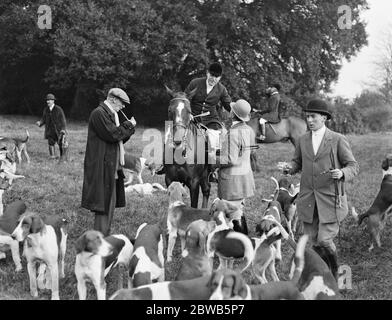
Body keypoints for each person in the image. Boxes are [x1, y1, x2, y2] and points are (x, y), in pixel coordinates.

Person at [281, 99, 359, 270]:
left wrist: (342, 173)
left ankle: (336, 271)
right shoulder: (302, 140)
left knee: (324, 239)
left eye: (313, 117)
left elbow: (353, 166)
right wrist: (289, 168)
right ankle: (322, 271)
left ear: (324, 117)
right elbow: (297, 162)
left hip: (331, 199)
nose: (309, 120)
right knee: (315, 241)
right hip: (308, 199)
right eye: (307, 117)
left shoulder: (338, 139)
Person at [81, 88, 136, 236]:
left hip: (111, 167)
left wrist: (128, 128)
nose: (123, 106)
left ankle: (104, 235)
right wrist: (128, 126)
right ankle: (99, 238)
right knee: (103, 205)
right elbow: (113, 134)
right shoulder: (99, 113)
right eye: (122, 103)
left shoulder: (111, 115)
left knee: (110, 204)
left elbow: (119, 138)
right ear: (112, 99)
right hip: (102, 166)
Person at [212, 99, 256, 234]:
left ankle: (240, 247)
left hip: (232, 181)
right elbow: (249, 152)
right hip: (244, 178)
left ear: (232, 114)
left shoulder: (233, 133)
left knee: (234, 215)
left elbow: (230, 159)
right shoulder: (249, 129)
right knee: (239, 211)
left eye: (231, 110)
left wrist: (211, 159)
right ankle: (245, 241)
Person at [36, 93, 67, 159]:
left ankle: (62, 157)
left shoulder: (58, 109)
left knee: (61, 143)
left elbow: (63, 120)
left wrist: (63, 129)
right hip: (49, 130)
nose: (48, 101)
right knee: (50, 143)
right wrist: (40, 123)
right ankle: (52, 156)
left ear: (53, 101)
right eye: (47, 100)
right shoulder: (46, 109)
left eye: (49, 100)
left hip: (58, 130)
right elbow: (43, 119)